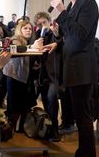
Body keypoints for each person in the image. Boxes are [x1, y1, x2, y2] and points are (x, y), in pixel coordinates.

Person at [47, 0, 99, 157]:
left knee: (83, 117)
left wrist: (61, 12)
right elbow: (70, 36)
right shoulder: (71, 6)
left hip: (81, 69)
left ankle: (87, 153)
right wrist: (57, 36)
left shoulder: (88, 3)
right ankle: (83, 151)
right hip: (71, 67)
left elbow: (81, 35)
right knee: (78, 115)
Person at [2, 20, 42, 131]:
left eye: (30, 29)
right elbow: (16, 51)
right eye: (25, 28)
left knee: (24, 104)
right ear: (20, 29)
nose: (28, 30)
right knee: (14, 106)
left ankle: (18, 128)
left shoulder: (28, 41)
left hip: (24, 77)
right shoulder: (15, 39)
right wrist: (33, 47)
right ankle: (10, 130)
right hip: (14, 77)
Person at [34, 11, 62, 141]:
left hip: (54, 75)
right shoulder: (37, 35)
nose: (42, 26)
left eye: (44, 22)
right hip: (42, 75)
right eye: (39, 24)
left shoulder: (54, 32)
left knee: (51, 98)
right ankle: (49, 127)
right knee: (45, 101)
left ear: (49, 21)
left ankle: (55, 130)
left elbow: (59, 40)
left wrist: (55, 33)